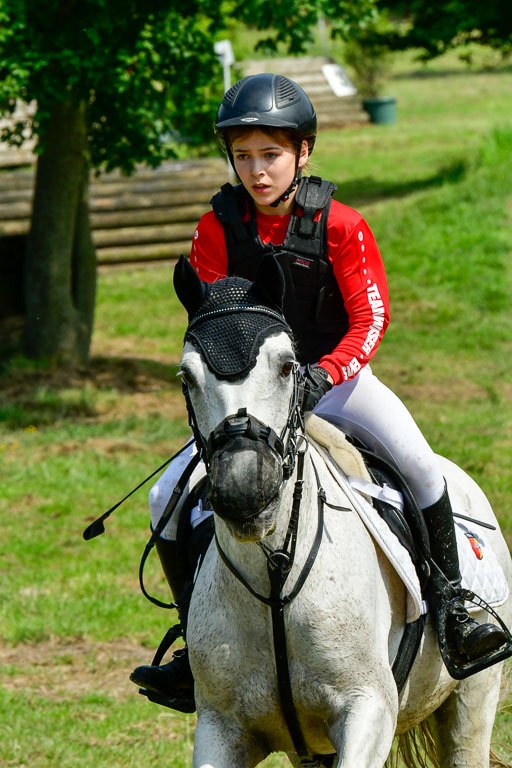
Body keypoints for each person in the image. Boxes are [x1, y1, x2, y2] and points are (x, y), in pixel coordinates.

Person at [130, 73, 508, 708]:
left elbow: (372, 318)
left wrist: (323, 376)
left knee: (419, 466)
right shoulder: (215, 229)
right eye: (243, 156)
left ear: (302, 152)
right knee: (168, 493)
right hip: (254, 396)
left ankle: (453, 607)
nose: (257, 170)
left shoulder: (342, 225)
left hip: (338, 383)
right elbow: (213, 321)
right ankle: (195, 647)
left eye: (270, 155)